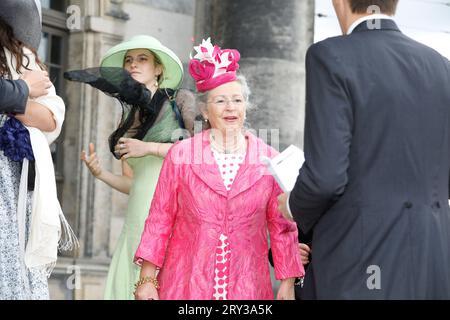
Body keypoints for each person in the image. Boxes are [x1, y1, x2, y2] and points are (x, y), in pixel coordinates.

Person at [278, 0, 450, 299]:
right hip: (433, 261)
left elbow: (326, 179)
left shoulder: (330, 56)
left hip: (358, 261)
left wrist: (290, 204)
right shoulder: (441, 65)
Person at [133, 38, 304, 300]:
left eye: (237, 100)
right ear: (204, 109)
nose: (230, 108)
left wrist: (288, 281)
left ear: (246, 106)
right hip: (186, 283)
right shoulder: (182, 155)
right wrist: (147, 279)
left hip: (248, 287)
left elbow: (281, 226)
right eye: (221, 101)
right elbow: (160, 218)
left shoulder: (270, 159)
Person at [72, 35, 190, 300]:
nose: (133, 64)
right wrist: (100, 173)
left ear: (158, 68)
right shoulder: (128, 117)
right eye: (128, 60)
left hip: (173, 212)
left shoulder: (179, 102)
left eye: (142, 58)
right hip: (137, 217)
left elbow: (198, 152)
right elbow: (132, 183)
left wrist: (149, 148)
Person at [0, 0, 69, 300]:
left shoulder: (22, 57)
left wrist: (13, 96)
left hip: (18, 185)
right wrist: (23, 91)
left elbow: (51, 117)